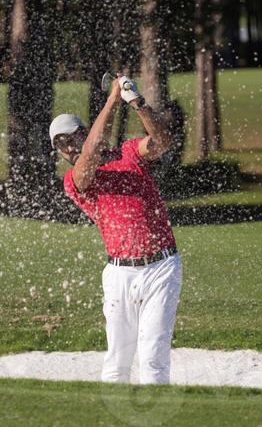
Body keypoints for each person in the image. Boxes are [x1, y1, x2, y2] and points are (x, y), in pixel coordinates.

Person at [50, 75, 182, 385]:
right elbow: (92, 150)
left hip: (162, 267)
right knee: (117, 363)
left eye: (69, 139)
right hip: (120, 273)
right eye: (60, 145)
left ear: (83, 132)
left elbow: (162, 142)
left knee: (152, 358)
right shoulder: (74, 180)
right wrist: (113, 98)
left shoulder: (128, 152)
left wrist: (138, 103)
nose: (66, 149)